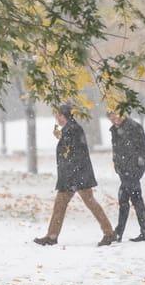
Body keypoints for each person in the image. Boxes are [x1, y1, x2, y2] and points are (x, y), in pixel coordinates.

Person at [34, 104, 116, 246]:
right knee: (61, 204)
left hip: (77, 176)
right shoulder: (70, 129)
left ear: (62, 116)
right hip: (72, 175)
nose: (56, 119)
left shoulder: (73, 129)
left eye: (57, 116)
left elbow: (74, 154)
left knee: (90, 203)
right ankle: (51, 236)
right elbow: (69, 151)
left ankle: (109, 233)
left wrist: (71, 175)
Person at [108, 108, 145, 242]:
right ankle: (144, 232)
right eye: (110, 116)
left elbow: (144, 147)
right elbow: (116, 149)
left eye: (115, 114)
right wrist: (116, 163)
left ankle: (119, 233)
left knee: (125, 199)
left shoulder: (133, 127)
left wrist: (135, 162)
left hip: (132, 171)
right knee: (133, 200)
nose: (113, 117)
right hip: (123, 171)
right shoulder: (115, 130)